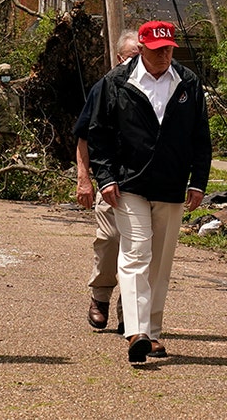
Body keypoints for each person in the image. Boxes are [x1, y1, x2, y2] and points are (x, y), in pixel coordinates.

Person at [87, 20, 210, 363]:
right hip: (130, 184)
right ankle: (136, 333)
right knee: (136, 254)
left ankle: (153, 333)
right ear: (141, 49)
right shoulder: (116, 82)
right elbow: (98, 134)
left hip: (171, 185)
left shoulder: (187, 82)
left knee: (160, 262)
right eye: (157, 51)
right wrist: (106, 177)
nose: (164, 56)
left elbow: (201, 135)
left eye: (169, 49)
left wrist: (198, 179)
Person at [74, 30, 140, 333]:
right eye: (133, 54)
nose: (139, 60)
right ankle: (100, 297)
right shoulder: (105, 87)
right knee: (111, 241)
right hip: (110, 179)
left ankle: (130, 310)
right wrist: (84, 178)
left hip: (143, 180)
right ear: (119, 57)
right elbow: (84, 136)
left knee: (138, 248)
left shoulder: (160, 87)